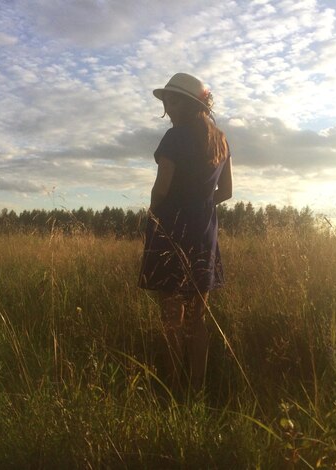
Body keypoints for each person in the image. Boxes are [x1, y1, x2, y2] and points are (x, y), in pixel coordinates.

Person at [138, 72, 233, 395]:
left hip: (171, 228)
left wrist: (154, 214)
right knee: (197, 319)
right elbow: (227, 191)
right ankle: (197, 388)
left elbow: (161, 188)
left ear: (190, 104)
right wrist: (200, 203)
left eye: (172, 98)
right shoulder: (221, 140)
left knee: (172, 318)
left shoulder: (174, 138)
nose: (167, 104)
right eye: (166, 98)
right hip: (204, 230)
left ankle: (172, 387)